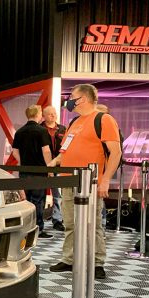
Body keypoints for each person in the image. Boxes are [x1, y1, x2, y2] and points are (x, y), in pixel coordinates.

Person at [49, 84, 121, 279]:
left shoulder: (103, 119)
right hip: (68, 180)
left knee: (92, 224)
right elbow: (65, 150)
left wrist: (105, 180)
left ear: (83, 99)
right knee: (70, 222)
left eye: (72, 96)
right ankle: (69, 258)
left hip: (90, 182)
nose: (69, 100)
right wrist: (54, 162)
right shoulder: (74, 121)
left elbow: (116, 153)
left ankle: (97, 262)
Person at [11, 104, 53, 239]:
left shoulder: (19, 132)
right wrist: (50, 168)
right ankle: (38, 229)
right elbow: (46, 151)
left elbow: (14, 151)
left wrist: (23, 162)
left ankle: (26, 228)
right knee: (38, 201)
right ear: (38, 114)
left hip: (24, 171)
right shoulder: (42, 131)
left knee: (26, 201)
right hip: (39, 171)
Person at [41, 106, 67, 232]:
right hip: (41, 167)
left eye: (54, 113)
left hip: (58, 166)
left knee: (58, 195)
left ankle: (57, 220)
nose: (53, 116)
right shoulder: (39, 129)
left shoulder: (62, 129)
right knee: (40, 195)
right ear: (44, 116)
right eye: (50, 114)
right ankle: (38, 220)